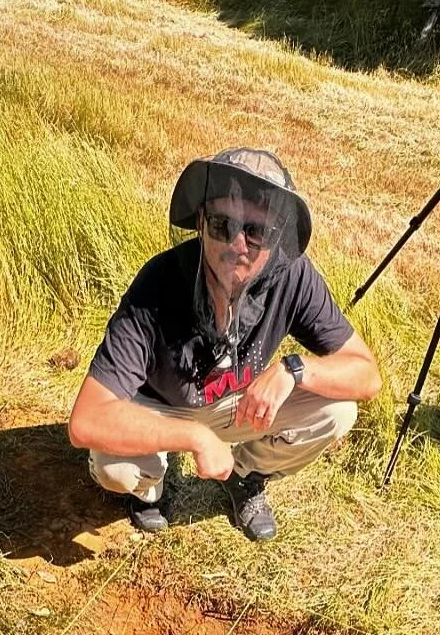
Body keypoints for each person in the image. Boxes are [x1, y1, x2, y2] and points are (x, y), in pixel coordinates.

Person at [68, 149, 381, 542]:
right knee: (114, 467)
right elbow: (86, 420)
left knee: (337, 411)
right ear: (201, 223)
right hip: (161, 406)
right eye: (222, 225)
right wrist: (195, 437)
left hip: (237, 401)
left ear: (278, 238)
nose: (237, 244)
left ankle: (245, 474)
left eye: (257, 232)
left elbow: (366, 374)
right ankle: (149, 488)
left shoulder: (294, 278)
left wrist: (294, 369)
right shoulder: (159, 283)